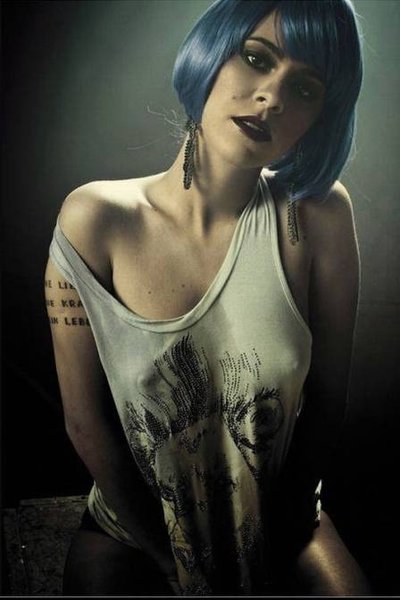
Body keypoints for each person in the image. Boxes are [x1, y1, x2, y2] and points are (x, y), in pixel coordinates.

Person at [44, 0, 372, 595]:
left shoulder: (318, 217)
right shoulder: (95, 220)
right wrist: (171, 562)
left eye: (304, 88)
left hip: (284, 519)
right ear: (209, 53)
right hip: (135, 532)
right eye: (256, 59)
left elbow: (328, 401)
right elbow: (84, 423)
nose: (271, 98)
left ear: (320, 116)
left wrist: (272, 538)